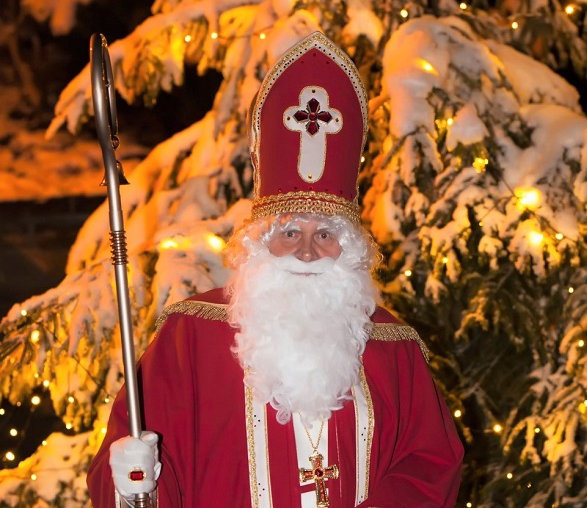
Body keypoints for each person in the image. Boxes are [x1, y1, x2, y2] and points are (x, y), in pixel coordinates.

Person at [87, 31, 463, 508]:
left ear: (349, 252)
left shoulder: (395, 352)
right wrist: (130, 483)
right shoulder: (190, 340)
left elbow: (430, 467)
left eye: (324, 235)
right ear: (259, 244)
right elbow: (135, 459)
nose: (306, 251)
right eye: (289, 233)